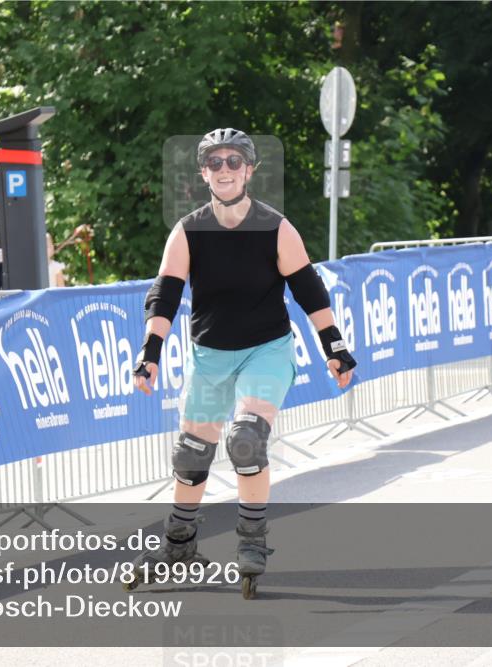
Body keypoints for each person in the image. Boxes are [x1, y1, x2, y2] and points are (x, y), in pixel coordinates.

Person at [125, 129, 356, 597]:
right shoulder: (188, 231)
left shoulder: (276, 227)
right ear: (203, 172)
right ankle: (179, 545)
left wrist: (333, 346)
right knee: (191, 455)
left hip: (265, 350)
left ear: (250, 170)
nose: (225, 169)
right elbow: (165, 295)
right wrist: (149, 355)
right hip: (210, 355)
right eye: (215, 162)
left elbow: (308, 290)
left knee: (246, 440)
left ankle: (252, 542)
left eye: (235, 161)